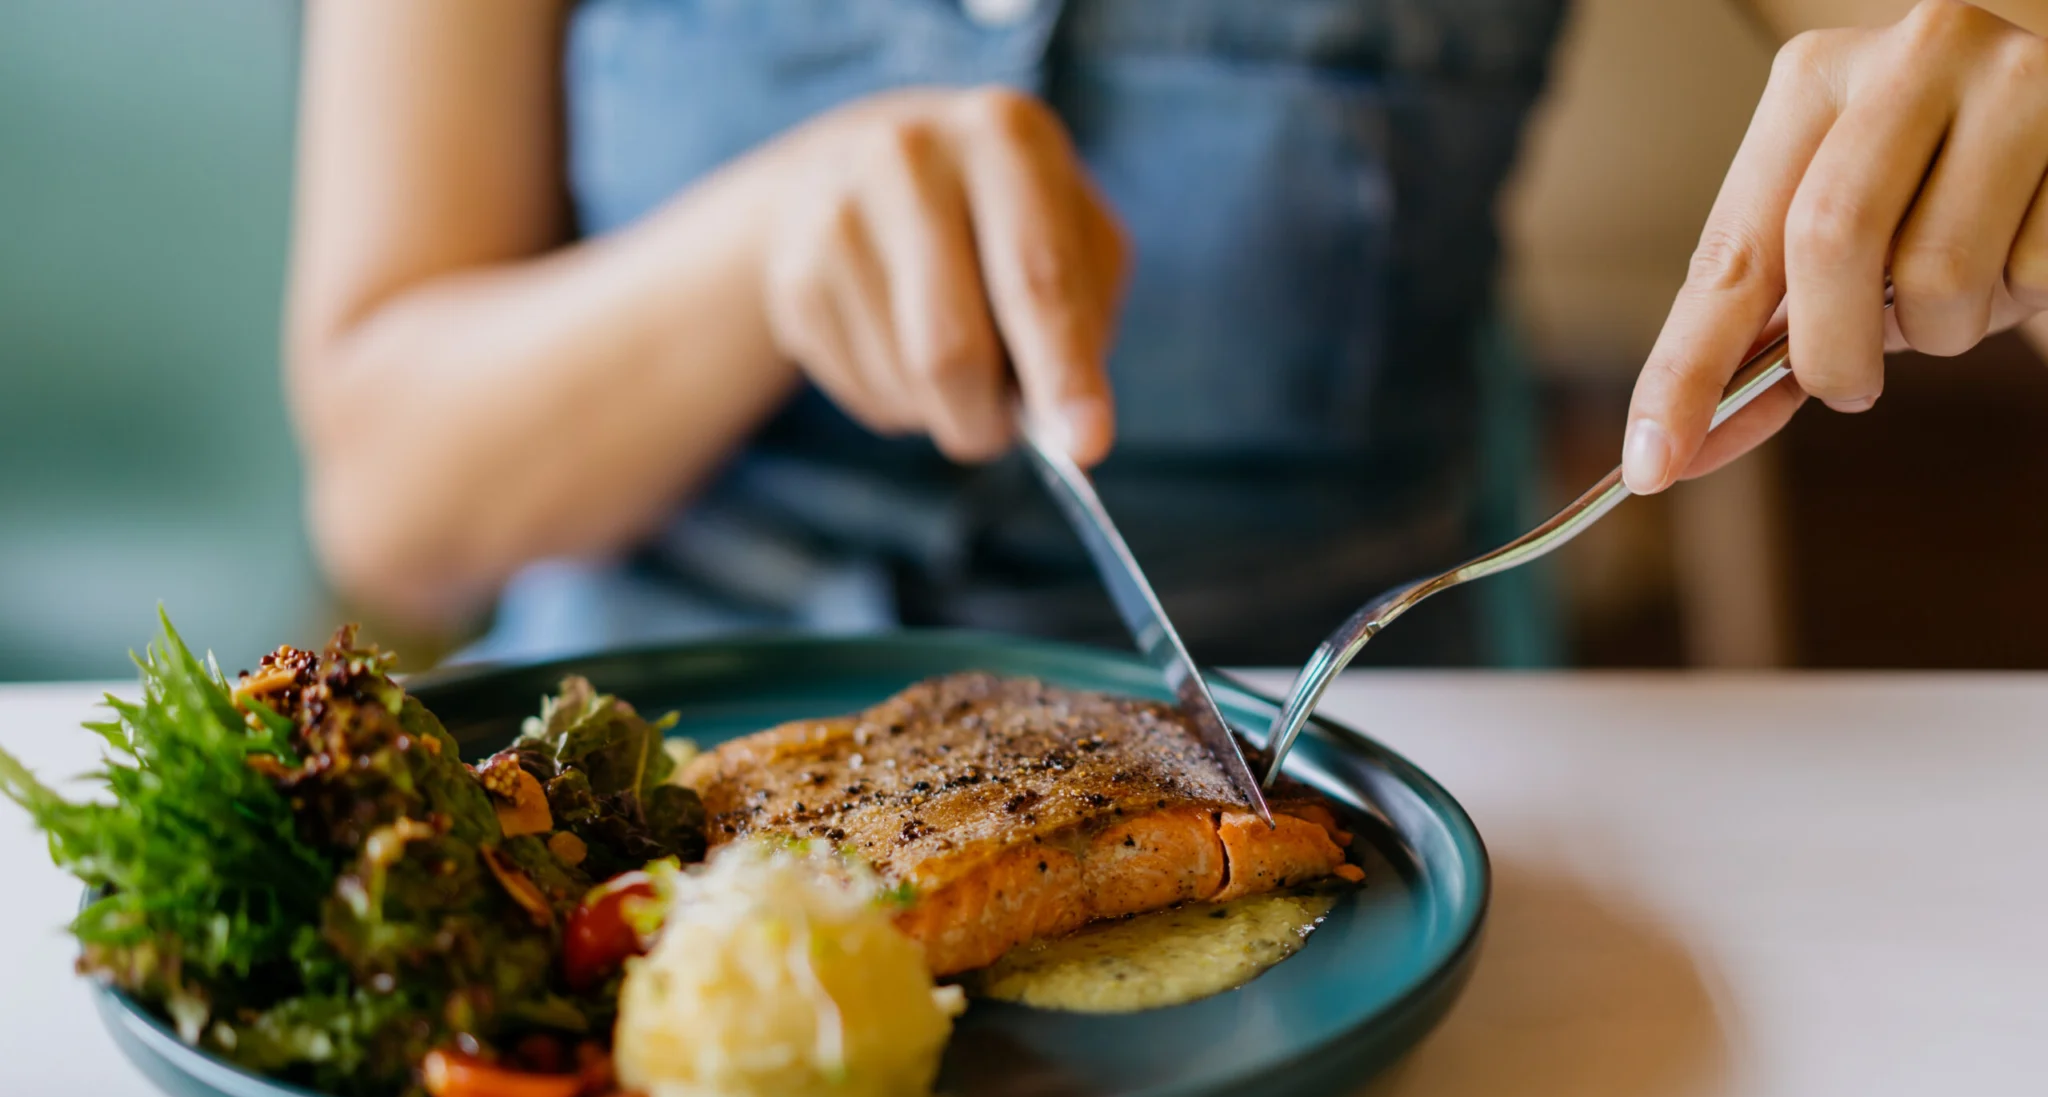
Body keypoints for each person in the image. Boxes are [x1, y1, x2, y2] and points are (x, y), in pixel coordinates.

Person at [286, 0, 2048, 666]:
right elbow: (389, 494)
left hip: (1344, 852)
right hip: (625, 821)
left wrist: (2007, 104)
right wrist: (747, 260)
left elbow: (1968, 55)